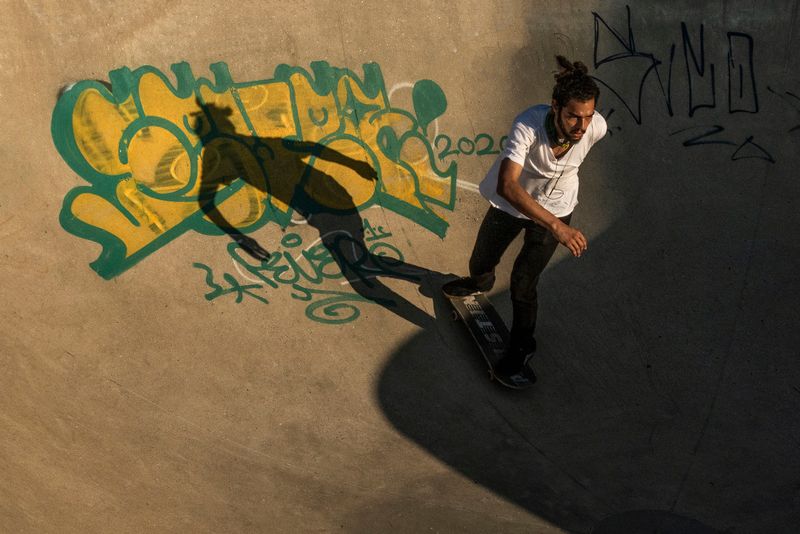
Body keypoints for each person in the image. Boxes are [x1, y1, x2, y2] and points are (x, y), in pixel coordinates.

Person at [443, 56, 607, 384]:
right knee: (480, 261)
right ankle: (479, 282)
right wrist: (557, 227)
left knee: (523, 281)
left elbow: (583, 142)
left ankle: (522, 345)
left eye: (587, 117)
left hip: (557, 208)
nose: (582, 126)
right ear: (555, 107)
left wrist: (555, 220)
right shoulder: (528, 125)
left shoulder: (596, 127)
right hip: (511, 205)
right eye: (574, 116)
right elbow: (507, 185)